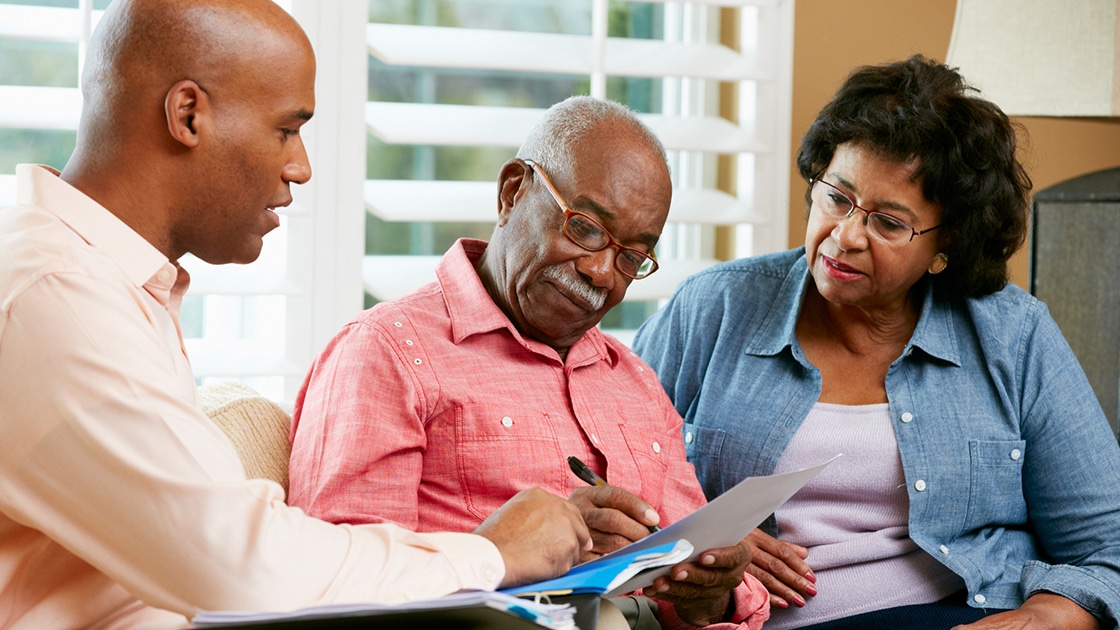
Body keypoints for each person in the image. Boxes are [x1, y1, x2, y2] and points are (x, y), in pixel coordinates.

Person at [0, 1, 592, 627]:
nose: (301, 168)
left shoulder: (105, 282)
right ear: (187, 114)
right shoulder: (53, 294)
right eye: (286, 129)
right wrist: (488, 555)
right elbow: (237, 565)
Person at [632, 54, 1120, 630]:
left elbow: (1106, 552)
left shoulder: (1014, 335)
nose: (845, 236)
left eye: (889, 223)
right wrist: (696, 530)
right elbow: (599, 475)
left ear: (948, 246)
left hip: (963, 614)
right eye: (836, 197)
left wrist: (1033, 621)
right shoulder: (714, 308)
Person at [286, 95, 770, 630]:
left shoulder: (633, 380)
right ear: (513, 191)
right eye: (585, 228)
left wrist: (710, 599)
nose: (602, 273)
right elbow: (341, 585)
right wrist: (515, 557)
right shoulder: (386, 353)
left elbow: (698, 577)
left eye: (632, 257)